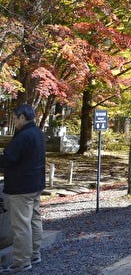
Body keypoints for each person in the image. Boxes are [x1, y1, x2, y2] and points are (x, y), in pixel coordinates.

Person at [0, 104, 46, 273]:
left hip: (21, 186)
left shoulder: (24, 136)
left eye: (14, 117)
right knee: (34, 219)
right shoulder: (38, 133)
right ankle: (34, 254)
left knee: (21, 225)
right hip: (35, 184)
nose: (14, 121)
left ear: (22, 117)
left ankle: (21, 262)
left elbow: (9, 159)